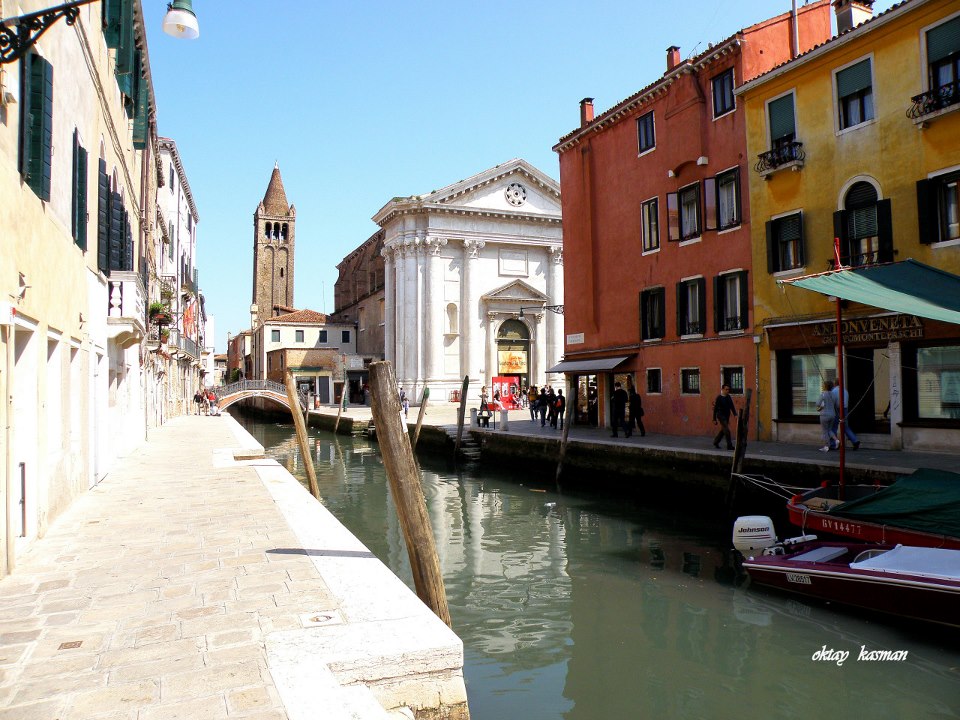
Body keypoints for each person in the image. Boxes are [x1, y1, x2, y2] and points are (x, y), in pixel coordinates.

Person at [830, 382, 860, 450]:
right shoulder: (845, 390)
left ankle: (833, 444)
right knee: (845, 427)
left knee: (833, 427)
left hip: (837, 409)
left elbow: (832, 401)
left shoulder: (833, 391)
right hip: (845, 409)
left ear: (835, 384)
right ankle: (855, 440)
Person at [712, 384, 737, 450]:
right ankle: (729, 446)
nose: (727, 391)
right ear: (722, 389)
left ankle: (716, 442)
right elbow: (715, 409)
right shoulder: (719, 398)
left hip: (727, 415)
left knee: (723, 430)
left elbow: (732, 406)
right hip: (720, 415)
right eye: (726, 389)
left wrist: (735, 414)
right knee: (727, 430)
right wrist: (714, 419)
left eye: (728, 389)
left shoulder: (728, 397)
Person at [816, 379, 839, 452]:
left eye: (823, 385)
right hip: (832, 414)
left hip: (824, 415)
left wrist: (821, 405)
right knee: (829, 430)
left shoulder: (823, 394)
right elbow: (836, 405)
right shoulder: (834, 394)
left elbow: (817, 404)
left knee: (825, 431)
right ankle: (836, 440)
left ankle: (826, 446)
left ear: (825, 386)